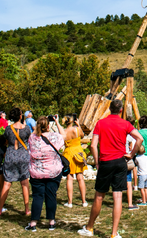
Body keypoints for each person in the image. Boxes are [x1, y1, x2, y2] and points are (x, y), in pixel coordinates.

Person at [78, 99, 142, 238]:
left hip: (106, 161)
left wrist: (97, 162)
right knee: (118, 196)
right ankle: (114, 233)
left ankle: (89, 228)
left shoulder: (101, 123)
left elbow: (93, 145)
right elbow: (140, 139)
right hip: (120, 161)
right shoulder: (125, 124)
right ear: (120, 110)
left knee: (99, 196)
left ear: (109, 108)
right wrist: (131, 154)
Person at [25, 115, 65, 231]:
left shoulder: (32, 138)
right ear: (48, 126)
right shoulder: (55, 137)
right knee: (51, 195)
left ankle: (33, 223)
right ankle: (51, 222)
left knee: (38, 196)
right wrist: (57, 122)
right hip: (53, 171)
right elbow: (64, 136)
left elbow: (30, 151)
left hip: (37, 171)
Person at [0, 107, 31, 216]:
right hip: (23, 156)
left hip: (10, 155)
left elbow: (6, 139)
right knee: (24, 183)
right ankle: (27, 209)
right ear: (20, 116)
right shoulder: (27, 129)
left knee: (7, 183)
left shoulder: (8, 129)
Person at [61, 113, 88, 208]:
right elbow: (83, 135)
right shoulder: (76, 129)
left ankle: (70, 202)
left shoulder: (63, 131)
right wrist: (79, 125)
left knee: (69, 178)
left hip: (68, 154)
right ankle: (84, 201)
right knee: (80, 178)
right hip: (78, 153)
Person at [125, 115, 139, 210]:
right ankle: (135, 185)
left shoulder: (124, 132)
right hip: (130, 155)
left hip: (122, 155)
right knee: (129, 178)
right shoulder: (133, 132)